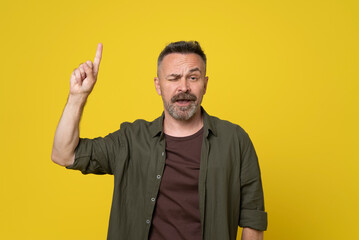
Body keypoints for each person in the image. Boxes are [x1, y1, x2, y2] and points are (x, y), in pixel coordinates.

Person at [51, 41, 267, 240]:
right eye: (173, 78)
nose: (183, 87)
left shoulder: (234, 141)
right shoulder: (130, 139)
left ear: (205, 83)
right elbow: (64, 154)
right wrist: (77, 97)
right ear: (158, 85)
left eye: (193, 77)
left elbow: (252, 221)